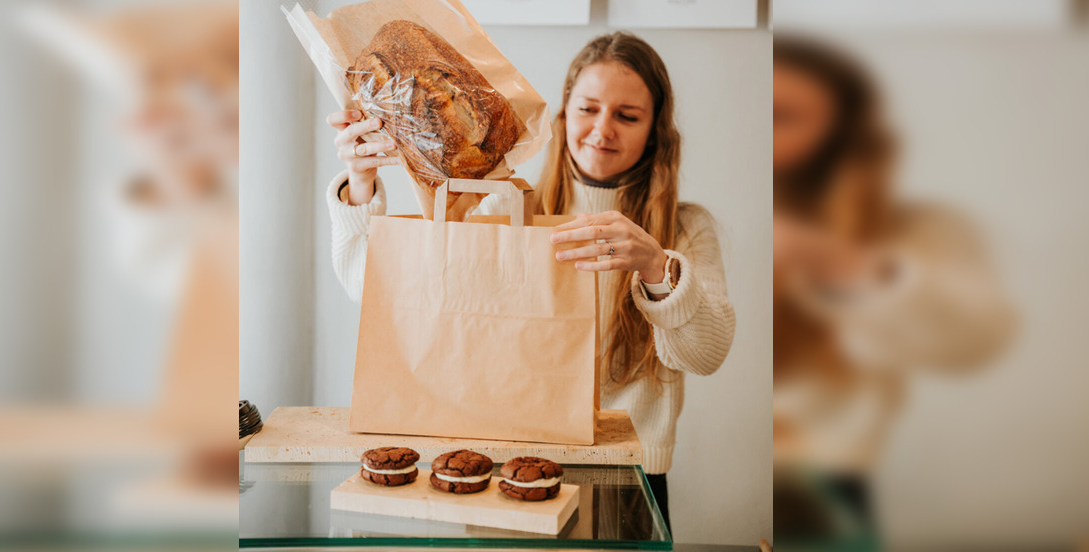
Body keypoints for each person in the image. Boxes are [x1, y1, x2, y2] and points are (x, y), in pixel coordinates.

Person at [327, 32, 737, 535]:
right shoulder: (508, 206)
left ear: (655, 131)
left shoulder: (685, 228)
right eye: (588, 109)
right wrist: (361, 181)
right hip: (508, 477)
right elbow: (379, 294)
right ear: (564, 116)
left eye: (627, 116)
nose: (602, 129)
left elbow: (706, 354)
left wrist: (656, 268)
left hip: (629, 484)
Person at [771, 35, 1017, 545]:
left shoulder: (919, 228)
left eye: (782, 115)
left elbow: (978, 341)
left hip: (825, 489)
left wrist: (835, 261)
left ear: (842, 135)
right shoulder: (707, 215)